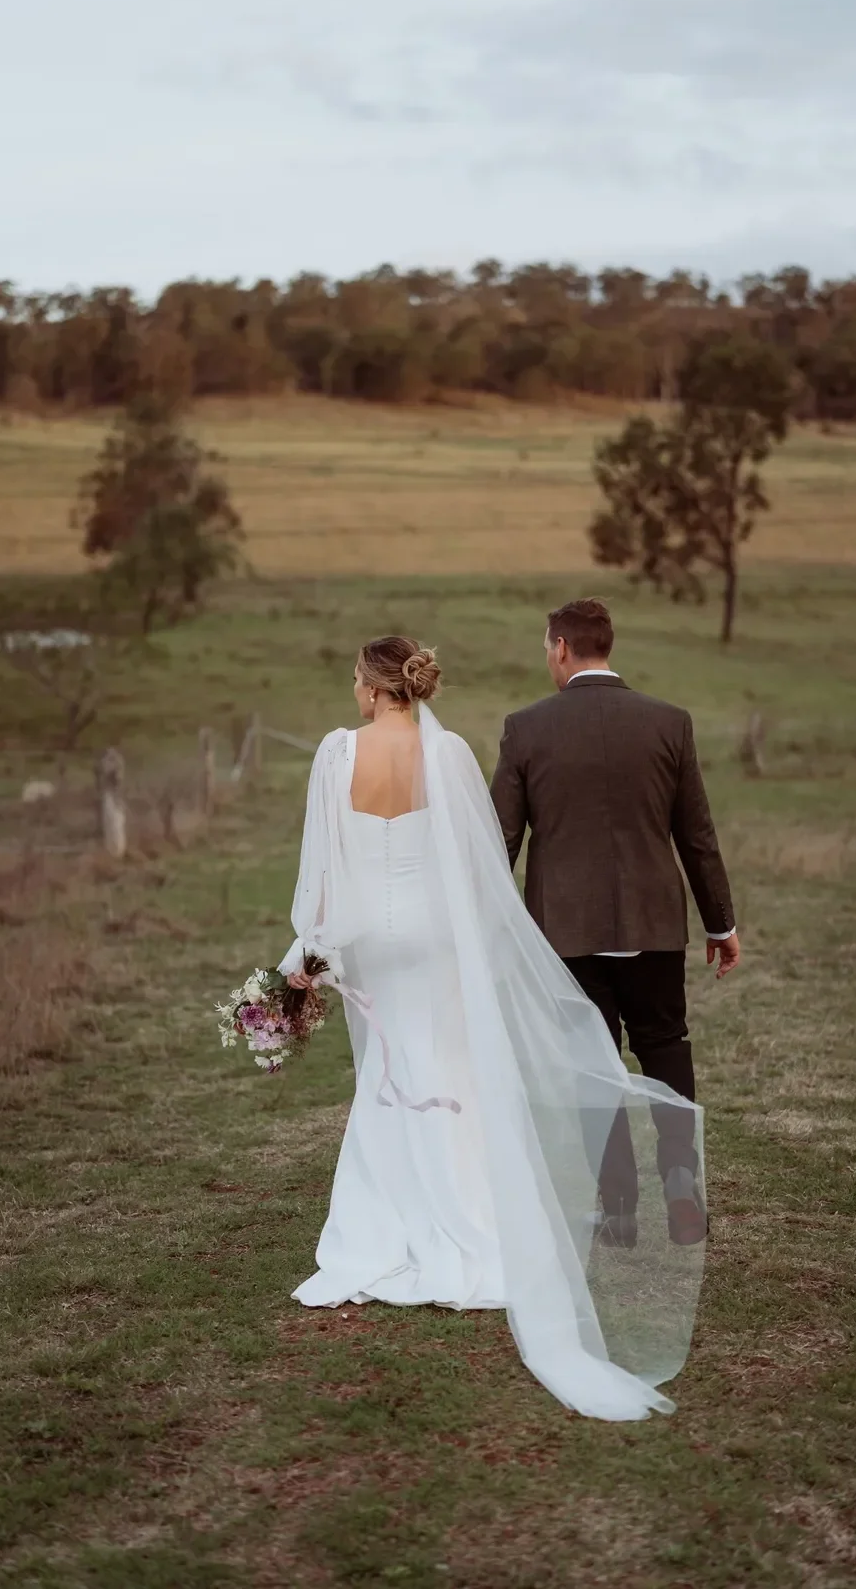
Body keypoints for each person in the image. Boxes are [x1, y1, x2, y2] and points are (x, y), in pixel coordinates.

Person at [280, 635, 708, 1423]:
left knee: (386, 1076)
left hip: (370, 945)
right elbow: (477, 864)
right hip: (436, 938)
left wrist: (306, 953)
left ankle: (386, 1228)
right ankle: (472, 1226)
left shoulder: (336, 756)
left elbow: (324, 869)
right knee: (452, 1073)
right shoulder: (447, 758)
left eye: (354, 681)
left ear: (376, 690)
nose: (353, 693)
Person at [490, 597, 738, 1251]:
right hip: (656, 922)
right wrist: (721, 924)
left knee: (592, 1064)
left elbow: (499, 842)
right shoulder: (669, 723)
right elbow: (698, 837)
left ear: (564, 649)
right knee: (665, 1042)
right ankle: (681, 1181)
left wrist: (490, 927)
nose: (549, 659)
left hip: (565, 932)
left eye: (549, 650)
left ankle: (619, 1208)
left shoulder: (525, 728)